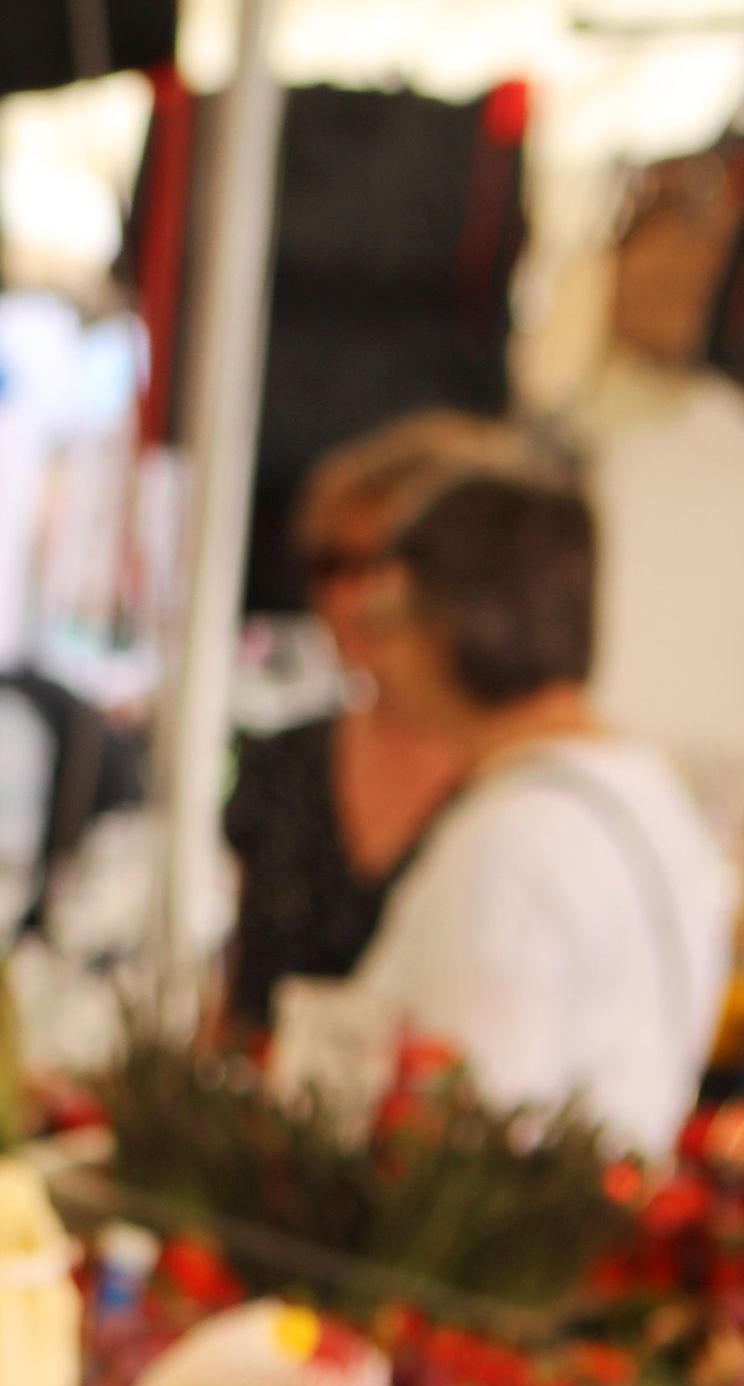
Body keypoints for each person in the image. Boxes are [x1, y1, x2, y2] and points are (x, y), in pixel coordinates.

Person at [327, 473, 740, 1153]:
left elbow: (472, 1138)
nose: (374, 654)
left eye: (386, 620)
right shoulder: (649, 788)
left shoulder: (513, 842)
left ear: (454, 627)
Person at [225, 411, 562, 1025]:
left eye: (379, 564)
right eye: (332, 565)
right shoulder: (281, 764)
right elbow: (234, 997)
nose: (356, 598)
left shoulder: (513, 783)